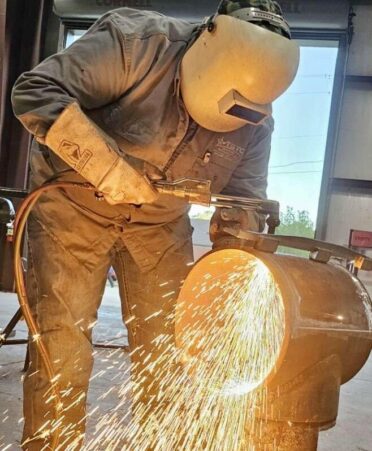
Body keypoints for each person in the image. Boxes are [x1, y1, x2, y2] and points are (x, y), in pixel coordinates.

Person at [11, 0, 299, 448]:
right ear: (206, 46)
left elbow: (244, 205)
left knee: (165, 354)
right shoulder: (135, 44)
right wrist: (109, 167)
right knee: (62, 350)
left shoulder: (254, 121)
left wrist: (236, 282)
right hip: (75, 207)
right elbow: (34, 92)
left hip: (160, 225)